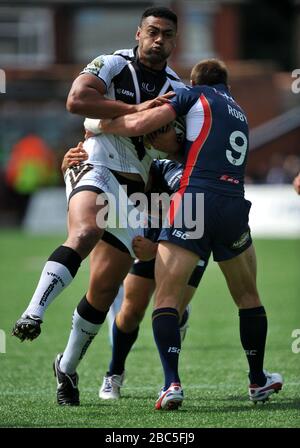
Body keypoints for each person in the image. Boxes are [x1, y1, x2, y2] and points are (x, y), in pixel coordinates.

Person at [12, 6, 185, 407]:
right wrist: (132, 109)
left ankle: (66, 368)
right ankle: (33, 314)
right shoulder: (112, 63)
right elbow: (77, 100)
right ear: (138, 33)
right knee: (85, 231)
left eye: (168, 35)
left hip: (133, 191)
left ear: (175, 42)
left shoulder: (178, 88)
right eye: (153, 32)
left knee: (104, 291)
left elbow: (176, 147)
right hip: (94, 164)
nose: (159, 40)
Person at [99, 58, 284, 410]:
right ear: (226, 84)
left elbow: (140, 122)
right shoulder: (241, 113)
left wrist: (100, 123)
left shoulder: (192, 96)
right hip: (233, 204)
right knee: (249, 298)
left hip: (193, 201)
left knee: (166, 300)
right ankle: (258, 380)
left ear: (194, 82)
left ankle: (171, 385)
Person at [61, 144, 206, 400]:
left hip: (181, 240)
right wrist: (70, 171)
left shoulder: (166, 169)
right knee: (130, 312)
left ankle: (171, 383)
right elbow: (84, 199)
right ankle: (114, 373)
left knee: (170, 310)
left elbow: (193, 209)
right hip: (142, 241)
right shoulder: (108, 170)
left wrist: (158, 247)